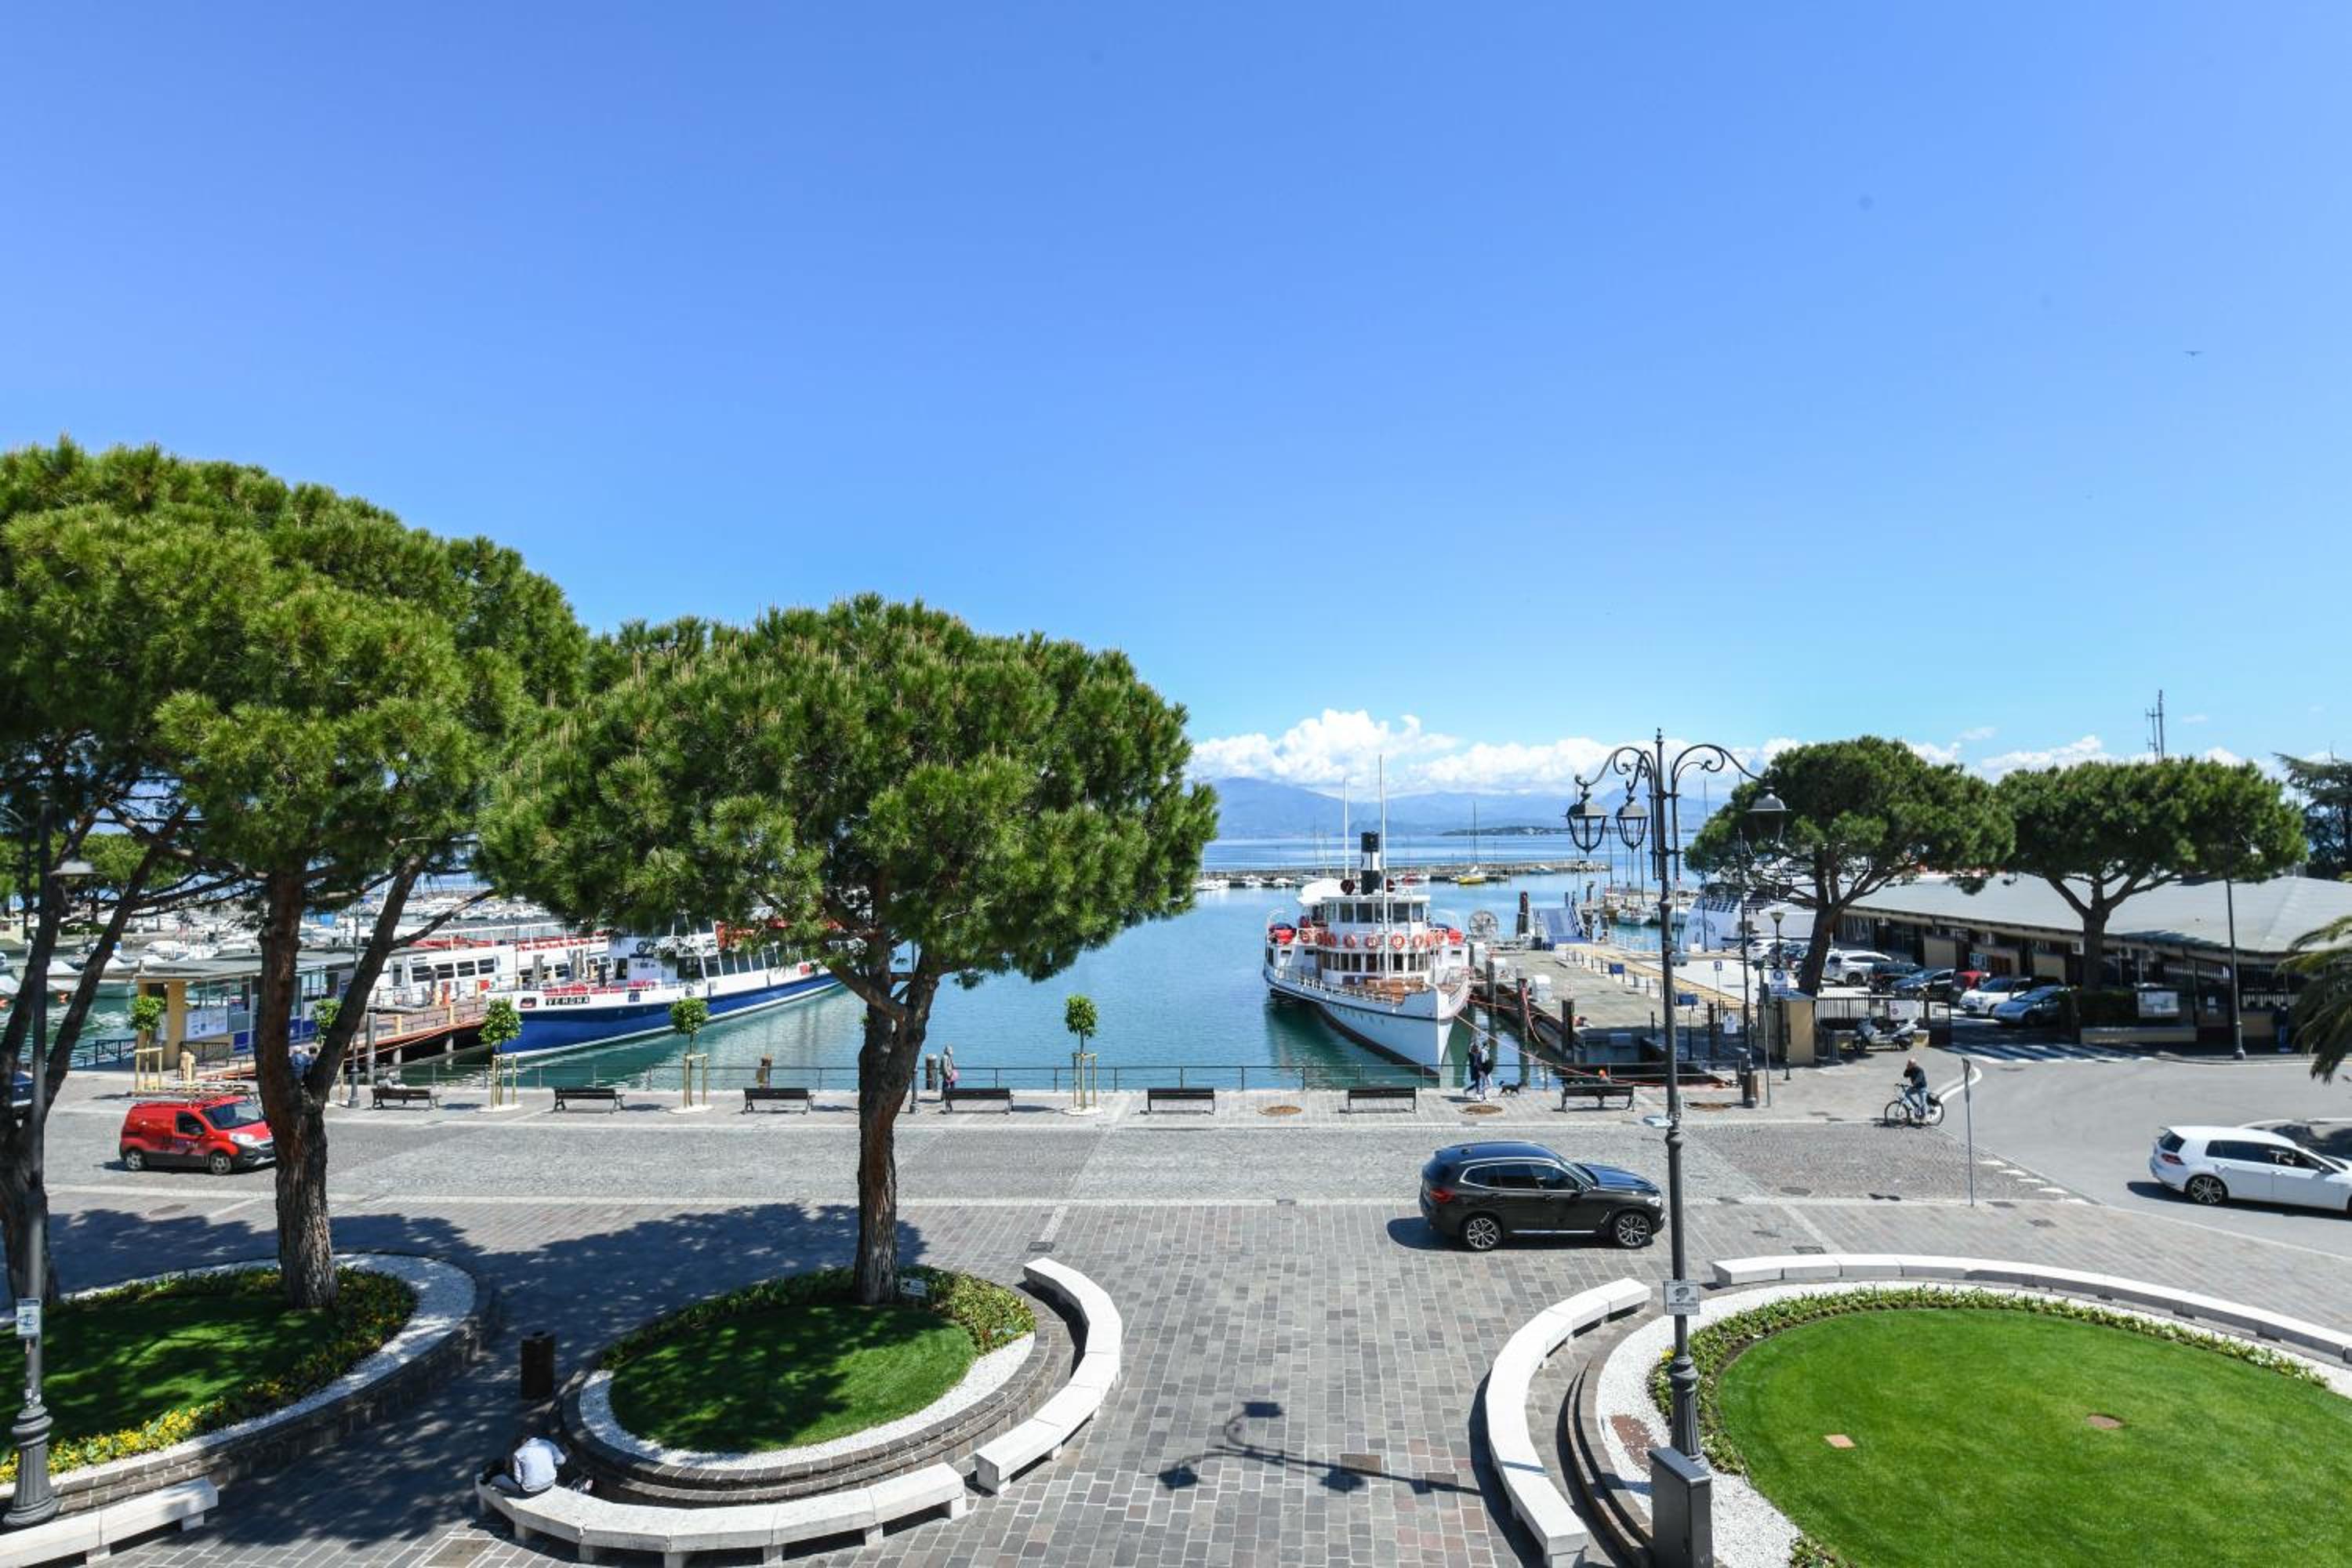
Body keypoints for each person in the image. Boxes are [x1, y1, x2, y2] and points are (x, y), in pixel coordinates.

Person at [1900, 1057, 1929, 1123]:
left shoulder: (1920, 1070)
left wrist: (1914, 1084)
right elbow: (1905, 1075)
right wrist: (1907, 1069)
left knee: (1922, 1102)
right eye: (1908, 1063)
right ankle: (1915, 1105)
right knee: (1906, 1094)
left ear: (1913, 1064)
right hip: (1914, 1087)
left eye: (1909, 1064)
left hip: (1922, 1088)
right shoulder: (1910, 1069)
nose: (1908, 1064)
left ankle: (1924, 1117)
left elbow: (1919, 1078)